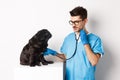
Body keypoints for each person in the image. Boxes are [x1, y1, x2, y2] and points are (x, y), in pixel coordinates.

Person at [60, 6, 104, 80]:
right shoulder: (68, 38)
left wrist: (85, 42)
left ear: (85, 21)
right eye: (72, 22)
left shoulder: (95, 39)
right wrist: (54, 53)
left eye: (77, 22)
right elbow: (65, 58)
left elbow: (94, 61)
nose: (73, 25)